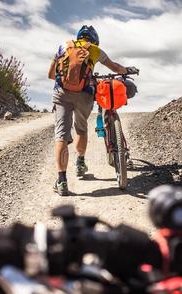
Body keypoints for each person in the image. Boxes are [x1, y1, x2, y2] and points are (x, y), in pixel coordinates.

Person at [48, 25, 130, 196]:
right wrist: (127, 70)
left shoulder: (65, 45)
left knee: (61, 134)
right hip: (84, 95)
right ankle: (80, 163)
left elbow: (50, 74)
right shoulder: (94, 50)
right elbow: (115, 67)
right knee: (81, 128)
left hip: (62, 93)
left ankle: (61, 181)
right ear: (94, 39)